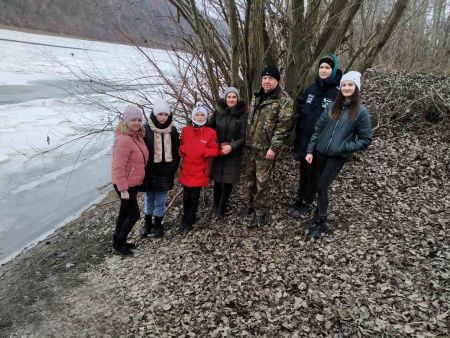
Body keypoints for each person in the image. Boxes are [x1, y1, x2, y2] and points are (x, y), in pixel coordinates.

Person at [304, 71, 372, 239]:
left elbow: (366, 139)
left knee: (322, 186)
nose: (346, 88)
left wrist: (345, 147)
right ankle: (317, 216)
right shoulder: (331, 106)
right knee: (318, 185)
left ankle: (321, 222)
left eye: (350, 85)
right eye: (344, 85)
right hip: (320, 152)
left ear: (356, 88)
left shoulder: (361, 112)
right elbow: (318, 129)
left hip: (337, 156)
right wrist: (310, 150)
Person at [290, 53, 342, 218]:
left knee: (313, 173)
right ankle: (299, 197)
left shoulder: (337, 92)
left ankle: (307, 201)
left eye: (327, 67)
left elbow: (337, 120)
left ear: (333, 70)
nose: (323, 70)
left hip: (320, 143)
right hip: (304, 138)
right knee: (303, 171)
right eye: (321, 67)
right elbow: (301, 106)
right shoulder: (311, 88)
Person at [243, 65, 294, 228]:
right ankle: (250, 205)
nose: (267, 81)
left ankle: (260, 213)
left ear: (277, 81)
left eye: (270, 78)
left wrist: (273, 148)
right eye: (264, 78)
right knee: (249, 178)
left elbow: (283, 127)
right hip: (251, 145)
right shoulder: (257, 95)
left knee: (262, 182)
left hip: (266, 149)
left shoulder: (284, 100)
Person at [139, 99, 180, 238]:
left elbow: (176, 151)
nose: (163, 117)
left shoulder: (173, 130)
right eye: (160, 114)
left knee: (161, 201)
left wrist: (173, 168)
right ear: (154, 114)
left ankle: (158, 224)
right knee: (149, 199)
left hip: (165, 172)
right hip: (149, 172)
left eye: (165, 114)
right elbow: (140, 151)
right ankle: (147, 223)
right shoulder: (145, 129)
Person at [111, 106, 149, 256]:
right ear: (126, 121)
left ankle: (117, 241)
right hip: (125, 184)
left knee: (124, 213)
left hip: (133, 183)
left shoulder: (137, 136)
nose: (137, 123)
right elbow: (117, 167)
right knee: (134, 215)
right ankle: (120, 244)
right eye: (133, 120)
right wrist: (123, 189)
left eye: (139, 120)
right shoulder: (123, 140)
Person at [178, 102, 220, 233]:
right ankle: (184, 219)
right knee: (186, 197)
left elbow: (216, 150)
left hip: (199, 171)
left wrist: (205, 151)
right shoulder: (185, 130)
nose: (200, 117)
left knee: (194, 197)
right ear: (192, 116)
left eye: (202, 115)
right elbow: (180, 146)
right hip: (186, 170)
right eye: (197, 114)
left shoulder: (210, 132)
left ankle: (190, 221)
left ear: (206, 117)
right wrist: (181, 149)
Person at [208, 87, 247, 219]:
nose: (231, 99)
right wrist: (217, 144)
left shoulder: (242, 115)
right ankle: (215, 205)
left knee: (228, 182)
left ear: (238, 98)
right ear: (225, 98)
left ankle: (222, 207)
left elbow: (243, 136)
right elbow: (209, 128)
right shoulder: (218, 112)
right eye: (229, 97)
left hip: (233, 153)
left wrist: (232, 146)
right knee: (218, 180)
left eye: (234, 97)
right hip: (218, 150)